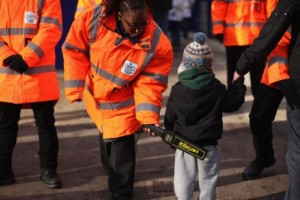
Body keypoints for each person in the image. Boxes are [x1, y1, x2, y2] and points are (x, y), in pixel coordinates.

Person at [62, 0, 173, 199]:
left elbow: (151, 83)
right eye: (134, 25)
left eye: (143, 24)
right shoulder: (93, 19)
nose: (139, 30)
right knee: (107, 146)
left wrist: (147, 116)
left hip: (125, 105)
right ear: (120, 16)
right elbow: (74, 49)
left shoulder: (157, 41)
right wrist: (74, 88)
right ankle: (114, 180)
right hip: (98, 102)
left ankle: (121, 193)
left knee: (122, 153)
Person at [164, 32, 246, 200]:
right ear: (209, 65)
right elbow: (232, 104)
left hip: (183, 143)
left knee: (182, 180)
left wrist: (170, 135)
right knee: (208, 182)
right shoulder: (216, 88)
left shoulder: (177, 90)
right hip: (208, 145)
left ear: (185, 64)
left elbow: (169, 117)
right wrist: (238, 85)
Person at [234, 0, 300, 199]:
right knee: (259, 117)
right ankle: (264, 158)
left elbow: (275, 27)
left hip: (289, 66)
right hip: (274, 64)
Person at [0, 0, 62, 189]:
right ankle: (3, 172)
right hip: (8, 76)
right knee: (5, 126)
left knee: (45, 126)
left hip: (37, 77)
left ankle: (49, 170)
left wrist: (25, 58)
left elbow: (50, 30)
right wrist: (6, 55)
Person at [242, 32, 291, 180]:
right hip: (276, 69)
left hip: (291, 70)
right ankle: (264, 159)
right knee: (258, 118)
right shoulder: (286, 9)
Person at [211, 0, 278, 95]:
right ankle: (240, 99)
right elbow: (218, 4)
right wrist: (218, 29)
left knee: (252, 74)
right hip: (249, 36)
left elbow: (272, 8)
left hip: (245, 36)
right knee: (245, 73)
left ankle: (253, 100)